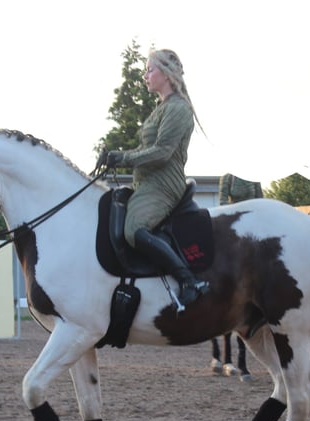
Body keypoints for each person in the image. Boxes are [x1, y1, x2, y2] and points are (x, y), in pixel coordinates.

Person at [102, 48, 208, 307]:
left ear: (168, 74)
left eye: (150, 70)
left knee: (134, 229)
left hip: (162, 186)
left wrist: (123, 159)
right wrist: (116, 156)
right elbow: (144, 150)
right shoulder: (161, 108)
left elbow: (162, 153)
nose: (145, 76)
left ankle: (188, 280)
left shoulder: (179, 109)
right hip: (146, 183)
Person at [210, 173, 263, 382]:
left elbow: (261, 202)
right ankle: (222, 357)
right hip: (233, 227)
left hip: (250, 228)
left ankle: (242, 361)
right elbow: (223, 203)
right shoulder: (228, 177)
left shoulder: (255, 176)